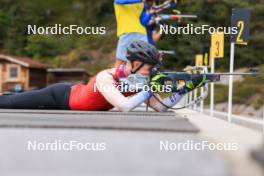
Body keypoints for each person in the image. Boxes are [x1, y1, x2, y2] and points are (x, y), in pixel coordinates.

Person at [0, 41, 205, 112]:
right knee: (9, 103)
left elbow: (160, 107)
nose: (150, 72)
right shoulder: (105, 77)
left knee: (13, 99)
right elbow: (124, 106)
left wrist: (182, 89)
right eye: (148, 67)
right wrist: (150, 88)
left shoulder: (140, 82)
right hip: (60, 96)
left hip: (72, 98)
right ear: (134, 63)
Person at [114, 0, 154, 67]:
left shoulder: (141, 3)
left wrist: (150, 13)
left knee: (142, 62)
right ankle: (116, 77)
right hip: (127, 32)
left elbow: (143, 22)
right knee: (121, 61)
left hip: (141, 33)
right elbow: (120, 2)